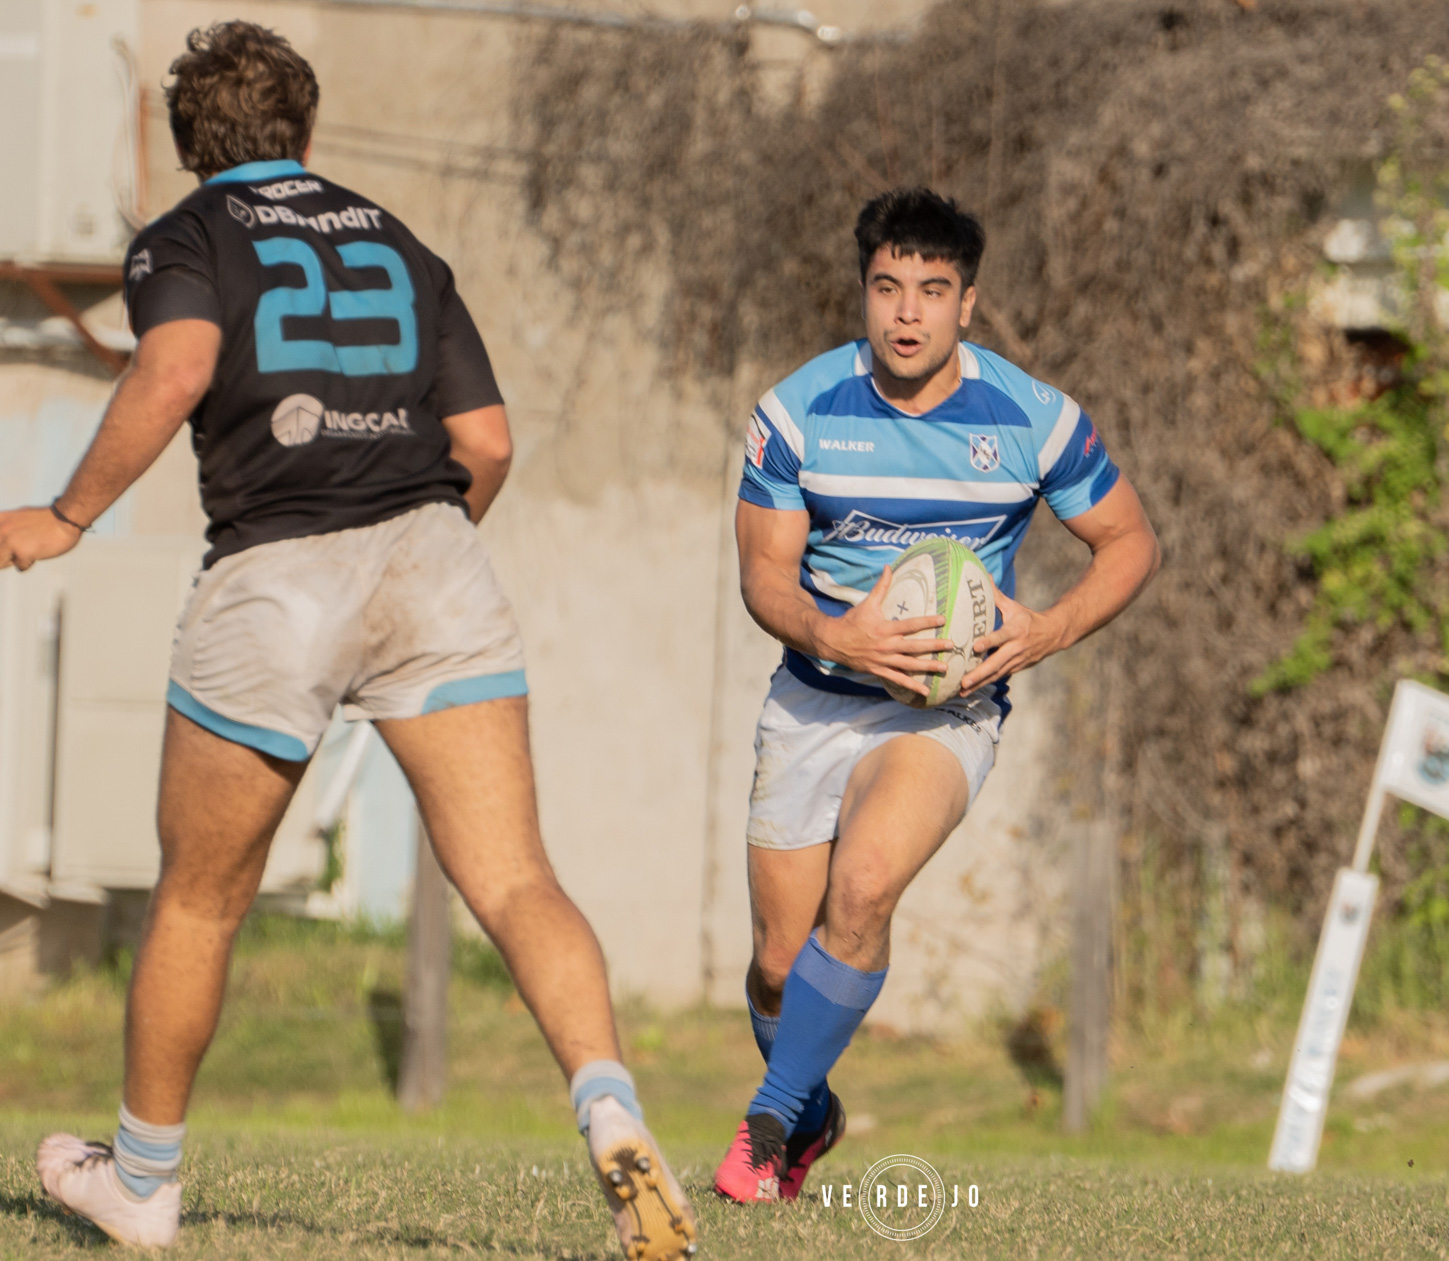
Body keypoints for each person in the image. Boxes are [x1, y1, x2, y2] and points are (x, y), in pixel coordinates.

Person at [0, 23, 695, 1259]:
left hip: (278, 576)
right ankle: (610, 1107)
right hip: (438, 560)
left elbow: (174, 370)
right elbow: (486, 444)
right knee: (519, 877)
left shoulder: (185, 236)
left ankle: (143, 1185)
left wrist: (64, 515)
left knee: (202, 901)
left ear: (185, 150)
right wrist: (416, 563)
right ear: (309, 138)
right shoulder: (398, 239)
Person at [715, 186, 1160, 1203]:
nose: (906, 312)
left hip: (943, 714)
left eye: (931, 289)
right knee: (779, 967)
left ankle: (767, 1125)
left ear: (969, 303)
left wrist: (1046, 630)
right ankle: (811, 1105)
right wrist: (836, 632)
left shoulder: (1034, 420)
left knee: (863, 888)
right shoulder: (796, 414)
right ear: (863, 295)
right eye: (886, 288)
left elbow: (1131, 541)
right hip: (813, 698)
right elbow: (763, 578)